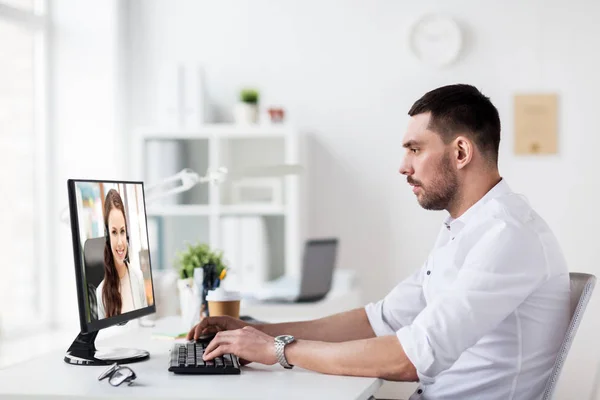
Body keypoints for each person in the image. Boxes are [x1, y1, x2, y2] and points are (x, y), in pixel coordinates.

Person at [187, 84, 570, 400]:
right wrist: (257, 332)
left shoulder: (506, 236)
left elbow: (410, 359)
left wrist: (279, 351)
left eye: (415, 149)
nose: (403, 166)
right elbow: (380, 320)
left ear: (460, 152)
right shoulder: (465, 229)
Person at [96, 189, 148, 319]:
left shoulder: (138, 277)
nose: (120, 242)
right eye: (114, 232)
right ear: (107, 236)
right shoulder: (100, 292)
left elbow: (144, 324)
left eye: (122, 231)